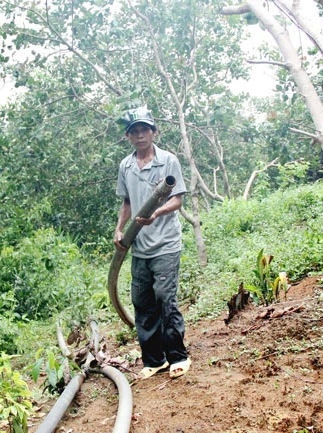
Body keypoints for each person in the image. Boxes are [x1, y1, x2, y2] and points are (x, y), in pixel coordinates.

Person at [113, 107, 191, 380]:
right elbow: (126, 201)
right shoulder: (126, 166)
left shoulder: (168, 161)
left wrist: (156, 212)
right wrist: (120, 229)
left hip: (166, 244)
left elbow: (178, 199)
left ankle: (178, 356)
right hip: (139, 245)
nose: (140, 135)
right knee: (142, 300)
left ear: (154, 132)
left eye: (144, 130)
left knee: (164, 298)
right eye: (134, 131)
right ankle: (154, 359)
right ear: (128, 137)